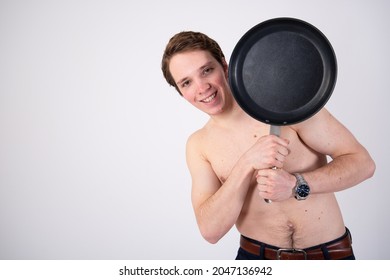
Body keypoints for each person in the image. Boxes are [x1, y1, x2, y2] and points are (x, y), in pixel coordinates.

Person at [161, 31, 375, 260]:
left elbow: (363, 163)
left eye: (207, 70)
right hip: (255, 260)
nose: (202, 87)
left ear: (224, 65)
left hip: (330, 256)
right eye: (186, 82)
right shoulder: (199, 145)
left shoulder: (288, 104)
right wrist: (247, 163)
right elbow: (210, 231)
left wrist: (297, 184)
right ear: (181, 93)